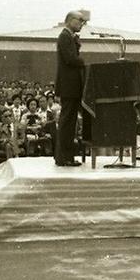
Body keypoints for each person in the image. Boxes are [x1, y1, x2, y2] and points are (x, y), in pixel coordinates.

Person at [55, 10, 87, 167]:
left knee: (69, 121)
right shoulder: (65, 36)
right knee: (67, 122)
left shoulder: (70, 37)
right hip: (69, 86)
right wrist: (83, 62)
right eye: (80, 21)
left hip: (71, 86)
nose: (82, 24)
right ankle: (64, 157)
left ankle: (64, 156)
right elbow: (71, 59)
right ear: (70, 20)